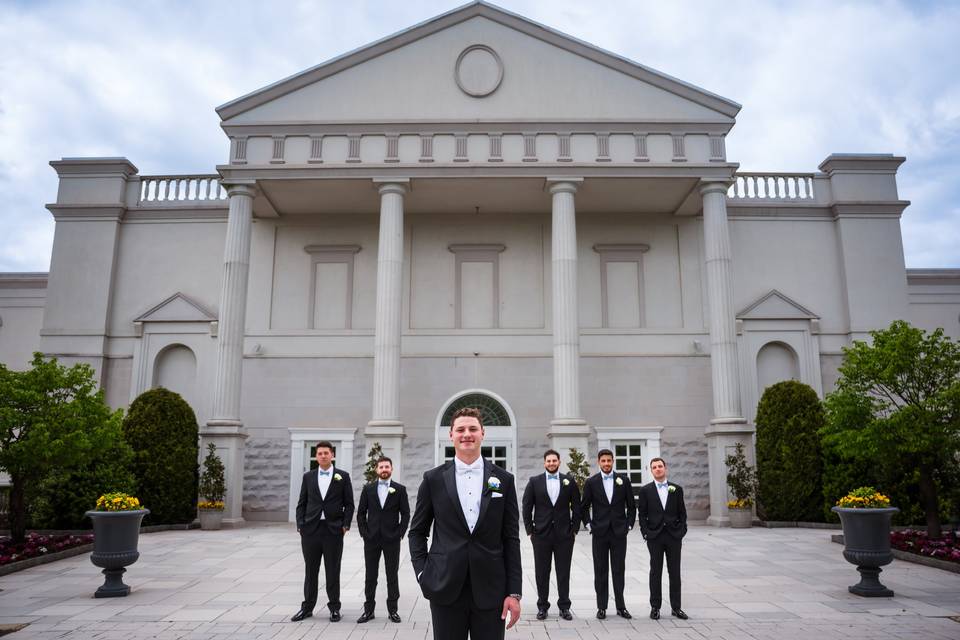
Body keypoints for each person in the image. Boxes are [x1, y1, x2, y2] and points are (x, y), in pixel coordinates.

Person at [409, 407, 522, 640]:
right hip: (445, 586)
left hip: (491, 589)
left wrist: (514, 593)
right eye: (460, 429)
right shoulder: (433, 480)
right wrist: (423, 573)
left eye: (472, 429)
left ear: (483, 433)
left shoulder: (504, 480)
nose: (466, 434)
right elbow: (417, 532)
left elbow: (511, 538)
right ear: (451, 435)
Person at [292, 441, 354, 623]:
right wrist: (300, 525)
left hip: (333, 531)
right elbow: (301, 503)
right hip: (311, 530)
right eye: (319, 453)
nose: (323, 456)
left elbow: (349, 504)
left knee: (332, 570)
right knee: (311, 571)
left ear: (332, 455)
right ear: (316, 456)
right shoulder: (308, 477)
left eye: (326, 453)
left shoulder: (342, 476)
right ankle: (307, 608)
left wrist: (345, 525)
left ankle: (334, 608)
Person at [521, 449, 581, 620]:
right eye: (549, 461)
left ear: (559, 462)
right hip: (541, 535)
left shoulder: (569, 481)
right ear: (544, 462)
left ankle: (564, 607)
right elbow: (526, 507)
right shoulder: (534, 482)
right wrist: (530, 530)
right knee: (542, 571)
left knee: (563, 571)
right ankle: (542, 606)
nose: (551, 463)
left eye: (554, 461)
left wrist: (574, 529)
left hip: (564, 535)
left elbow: (576, 506)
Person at [579, 448, 636, 620]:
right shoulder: (591, 482)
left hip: (619, 532)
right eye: (603, 461)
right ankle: (601, 607)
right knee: (601, 570)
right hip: (600, 533)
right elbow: (584, 507)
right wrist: (589, 525)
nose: (606, 464)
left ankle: (621, 606)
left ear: (613, 461)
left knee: (619, 570)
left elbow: (632, 506)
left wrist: (629, 525)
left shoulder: (624, 480)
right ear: (599, 462)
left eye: (609, 461)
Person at [356, 456, 410, 624]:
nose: (384, 469)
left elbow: (406, 513)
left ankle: (393, 611)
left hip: (391, 539)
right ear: (377, 470)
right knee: (370, 575)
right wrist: (365, 533)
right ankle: (368, 611)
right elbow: (360, 513)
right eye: (381, 467)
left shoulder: (399, 489)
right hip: (371, 539)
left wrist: (400, 533)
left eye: (387, 466)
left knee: (391, 575)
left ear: (391, 469)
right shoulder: (368, 489)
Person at [637, 457, 688, 620]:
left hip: (673, 536)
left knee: (675, 572)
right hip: (655, 536)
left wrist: (681, 531)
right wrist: (646, 533)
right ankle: (655, 607)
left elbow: (682, 513)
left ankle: (676, 607)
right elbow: (642, 514)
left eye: (660, 466)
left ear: (665, 468)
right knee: (655, 571)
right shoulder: (645, 491)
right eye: (654, 467)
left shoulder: (677, 489)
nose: (658, 469)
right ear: (651, 470)